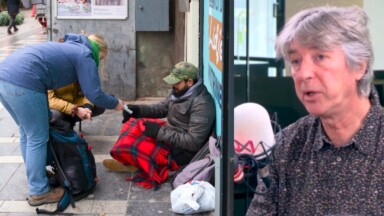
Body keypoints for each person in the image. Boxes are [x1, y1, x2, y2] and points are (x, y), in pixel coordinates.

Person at [246, 6, 384, 215]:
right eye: (296, 61)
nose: (304, 74)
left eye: (320, 56)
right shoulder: (285, 147)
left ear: (359, 66)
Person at [0, 32, 124, 207]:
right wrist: (117, 103)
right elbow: (95, 94)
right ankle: (39, 191)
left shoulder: (72, 47)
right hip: (24, 82)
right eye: (102, 58)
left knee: (27, 133)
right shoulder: (85, 54)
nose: (100, 61)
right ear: (100, 51)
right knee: (37, 137)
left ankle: (38, 178)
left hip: (4, 77)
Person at [103, 62, 216, 171]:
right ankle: (131, 160)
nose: (173, 85)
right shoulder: (179, 92)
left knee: (140, 146)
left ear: (190, 82)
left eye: (176, 82)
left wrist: (159, 132)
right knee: (133, 125)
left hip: (183, 151)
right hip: (170, 133)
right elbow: (160, 109)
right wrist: (137, 110)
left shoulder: (202, 104)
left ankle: (135, 164)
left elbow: (194, 143)